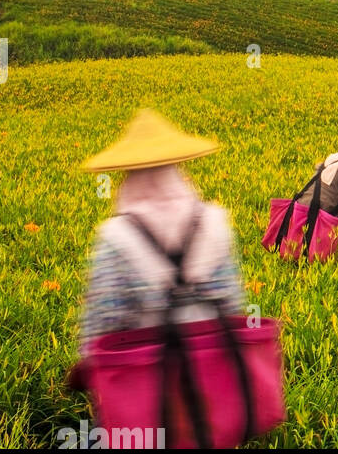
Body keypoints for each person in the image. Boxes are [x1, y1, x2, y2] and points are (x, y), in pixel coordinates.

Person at [77, 108, 244, 352]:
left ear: (128, 173)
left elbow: (103, 322)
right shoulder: (215, 221)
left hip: (145, 376)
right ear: (175, 169)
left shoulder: (115, 236)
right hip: (213, 368)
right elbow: (231, 305)